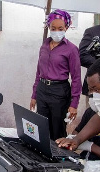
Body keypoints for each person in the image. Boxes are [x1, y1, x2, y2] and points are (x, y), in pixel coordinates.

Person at [30, 9, 81, 140]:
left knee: (57, 128)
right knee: (42, 126)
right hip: (42, 89)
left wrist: (74, 104)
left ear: (66, 27)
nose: (56, 31)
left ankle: (58, 158)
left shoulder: (71, 49)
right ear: (49, 27)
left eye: (60, 28)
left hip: (59, 91)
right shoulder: (44, 46)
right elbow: (38, 72)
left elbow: (76, 78)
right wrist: (34, 95)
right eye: (53, 28)